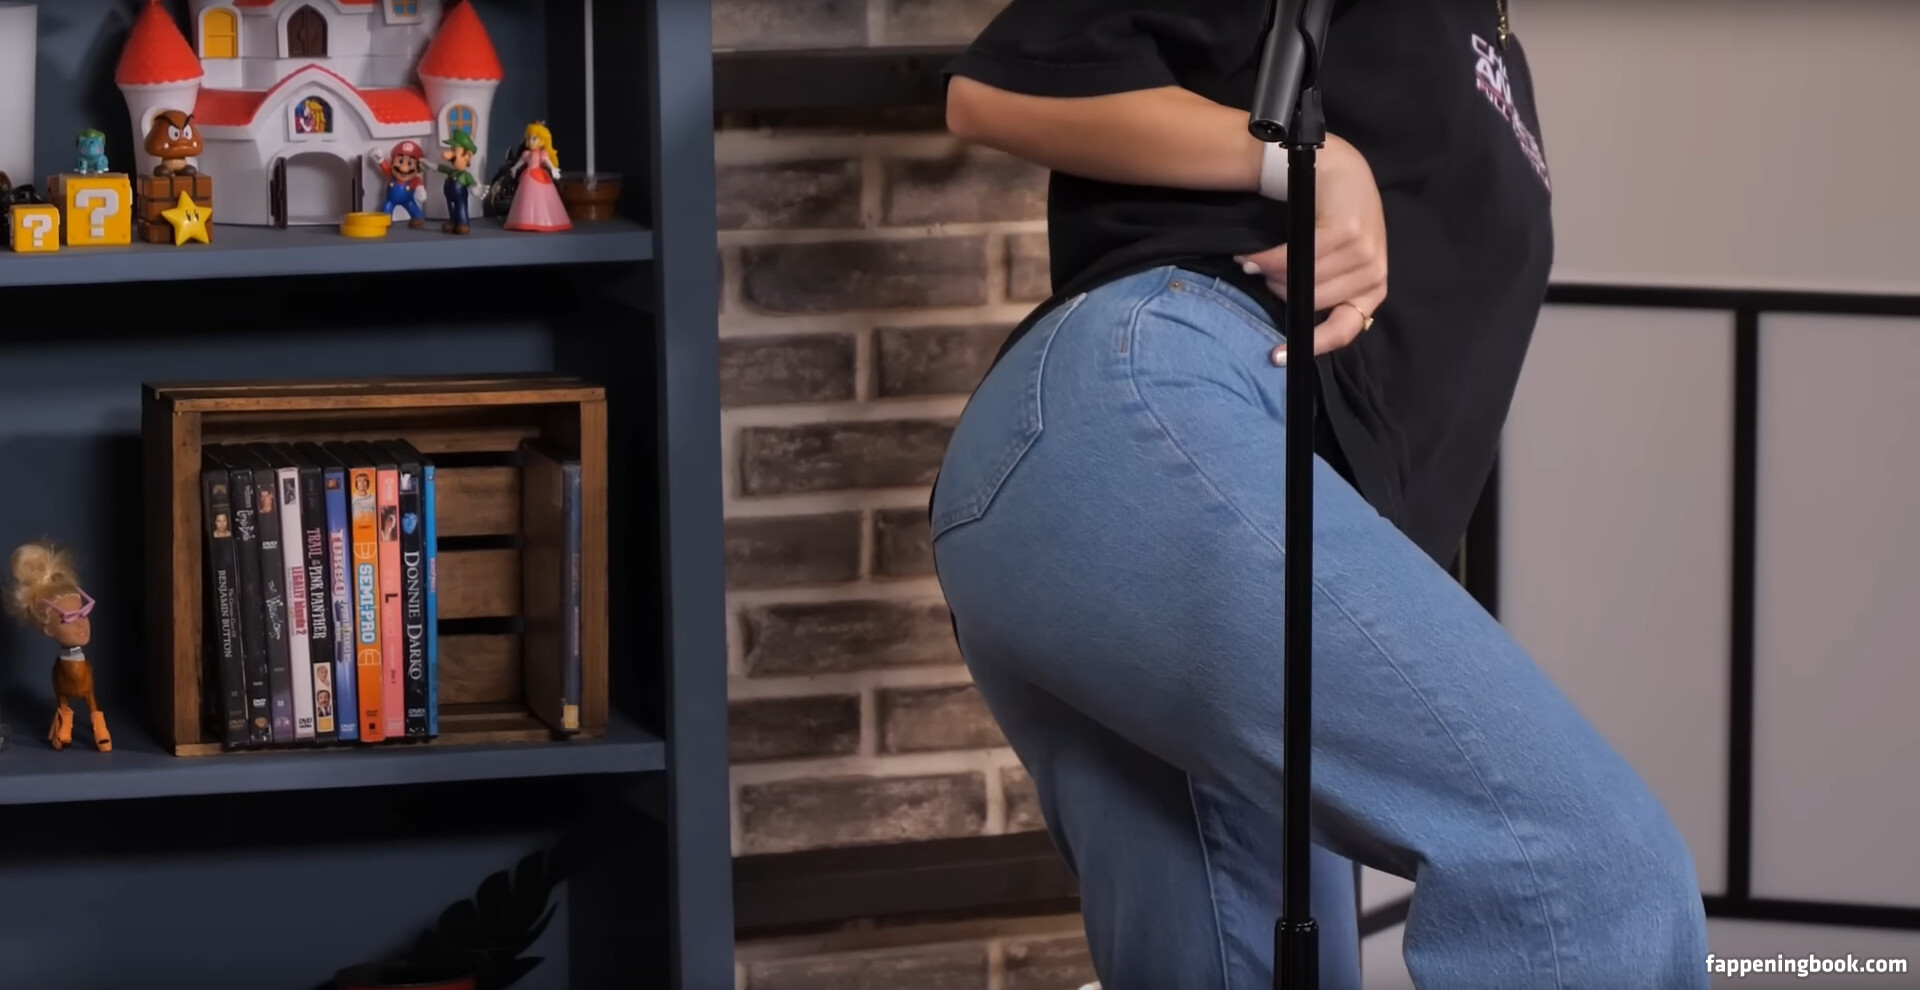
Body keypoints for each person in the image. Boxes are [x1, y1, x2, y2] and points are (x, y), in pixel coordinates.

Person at [928, 2, 1710, 988]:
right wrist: (1303, 163)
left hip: (1206, 494)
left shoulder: (1493, 39)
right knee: (1584, 875)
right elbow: (997, 88)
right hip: (1159, 412)